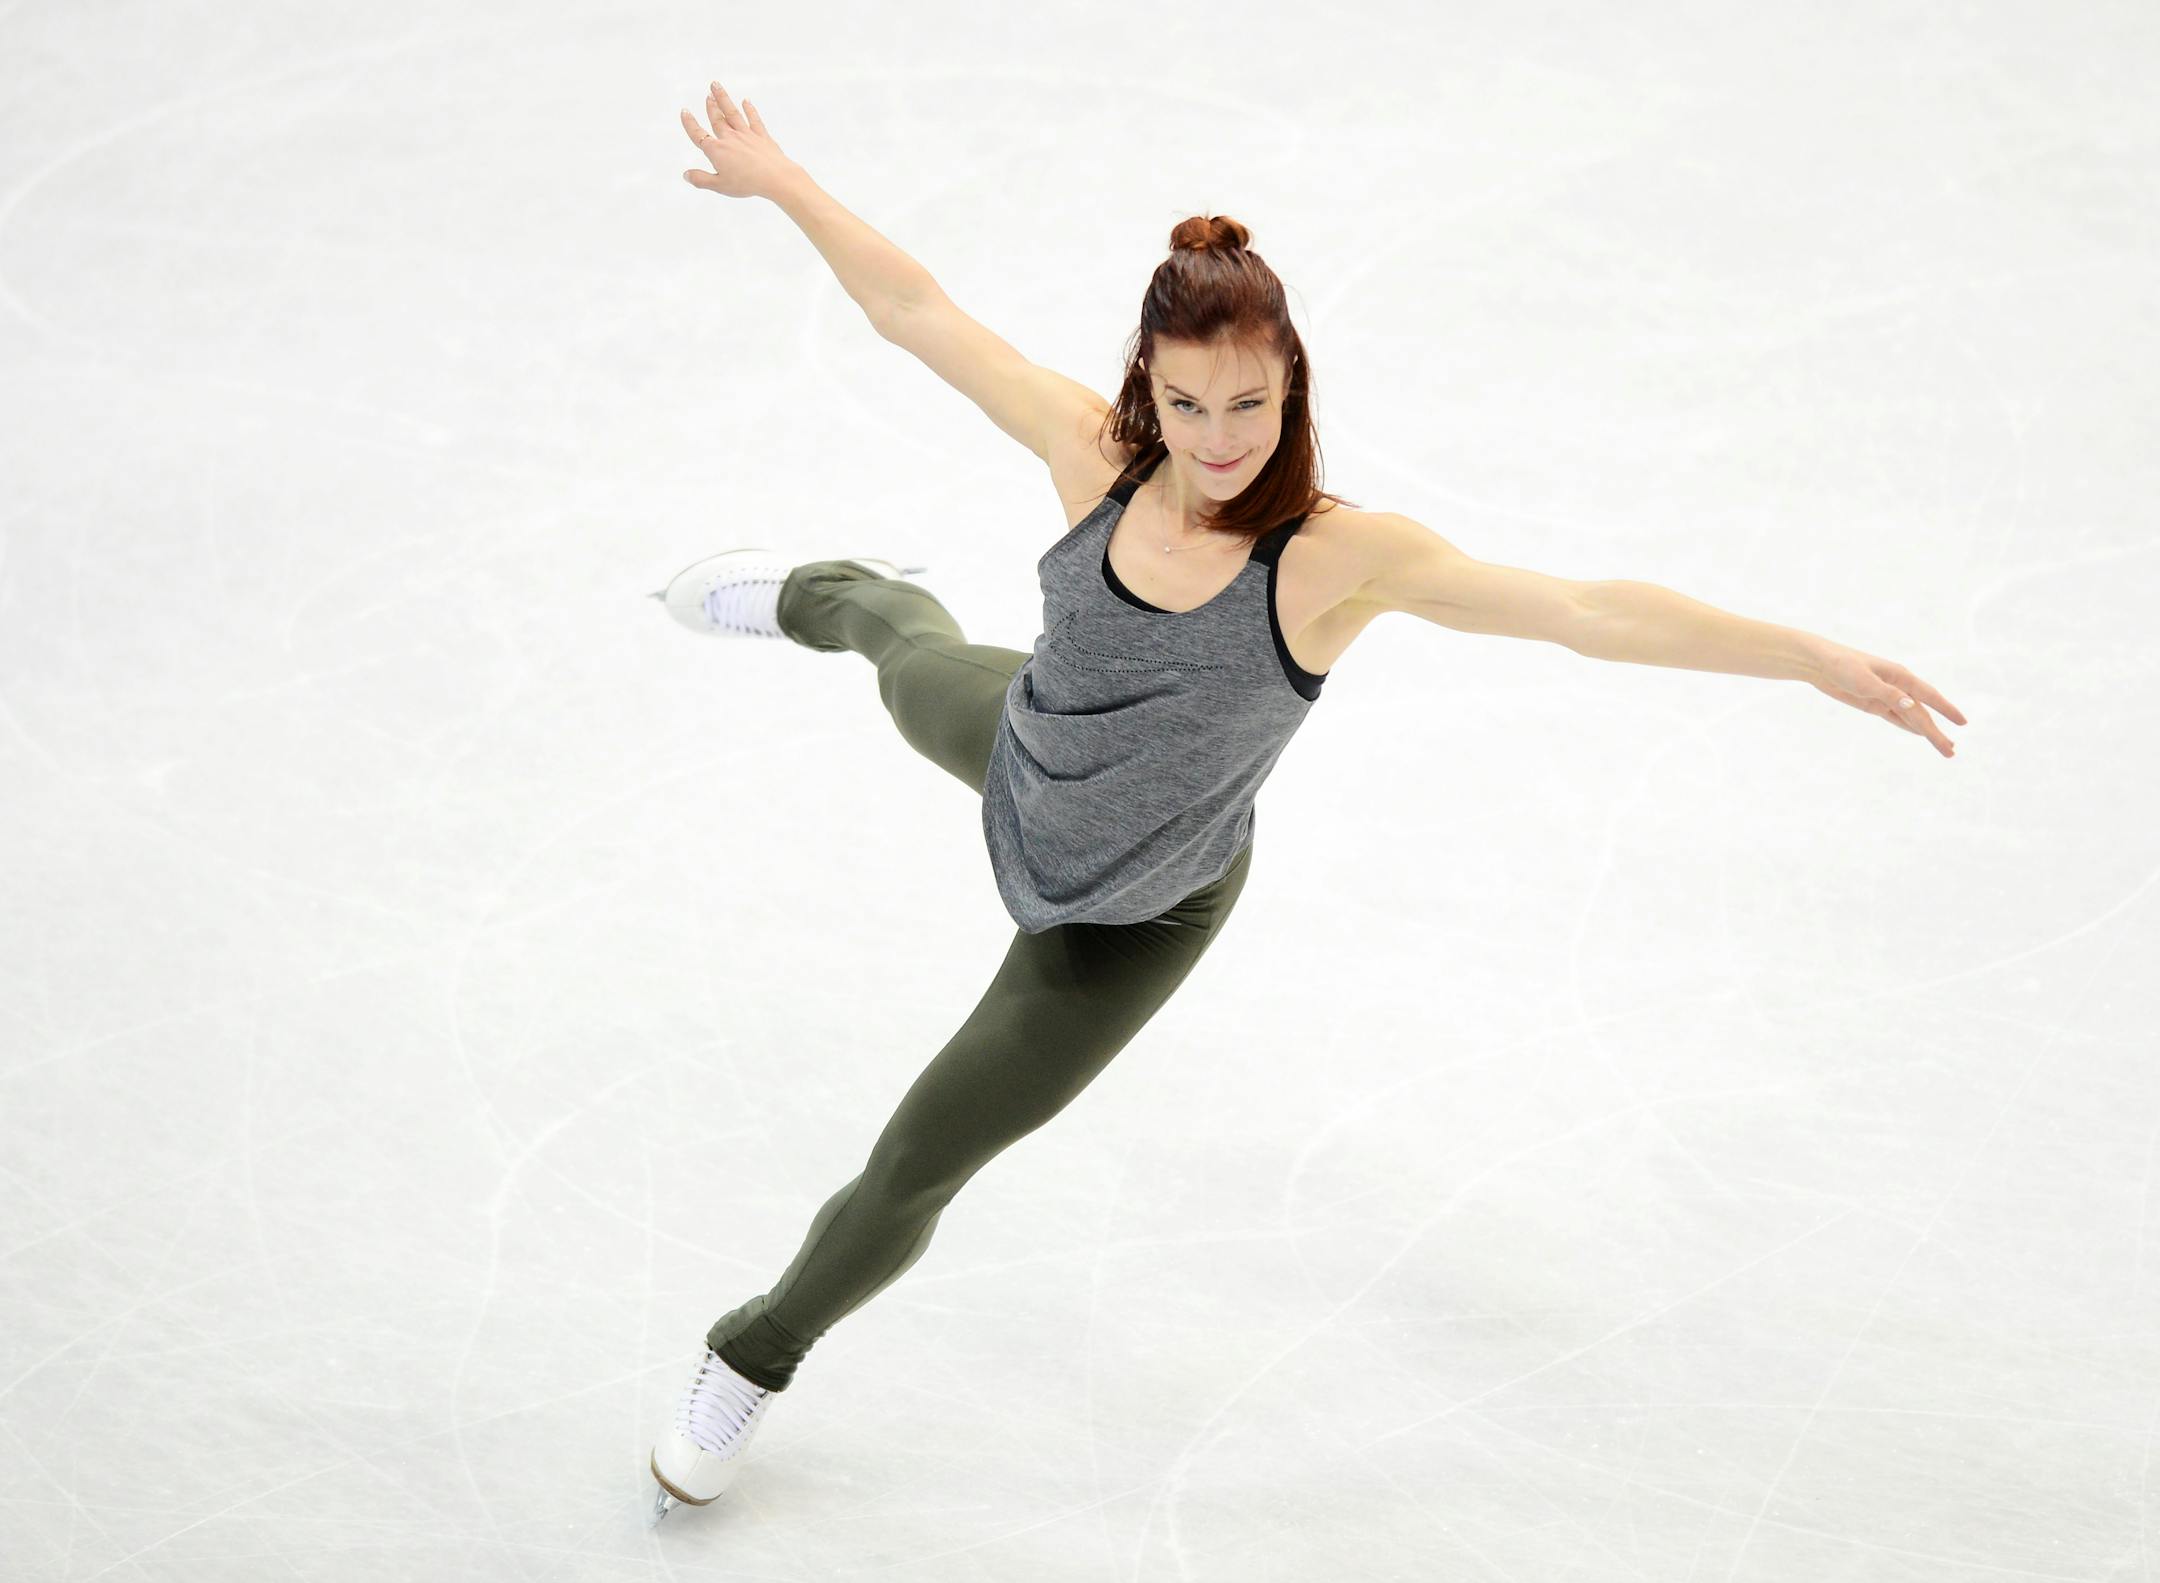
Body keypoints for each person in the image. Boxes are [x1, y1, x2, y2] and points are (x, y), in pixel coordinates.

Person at [647, 80, 1969, 1517]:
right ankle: (830, 586)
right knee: (900, 645)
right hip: (1029, 754)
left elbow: (1588, 609)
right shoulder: (1095, 464)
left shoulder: (1337, 564)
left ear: (1296, 394)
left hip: (1136, 909)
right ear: (1148, 389)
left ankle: (755, 1351)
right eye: (1189, 401)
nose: (1220, 437)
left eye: (1252, 404)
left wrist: (1806, 656)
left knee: (917, 1159)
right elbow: (918, 311)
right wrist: (782, 180)